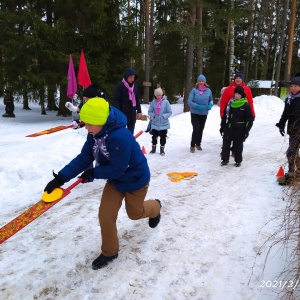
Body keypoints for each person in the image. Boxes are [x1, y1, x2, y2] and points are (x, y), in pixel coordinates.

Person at [44, 97, 161, 269]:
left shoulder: (120, 137)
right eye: (85, 123)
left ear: (101, 121)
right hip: (115, 181)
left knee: (134, 214)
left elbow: (117, 169)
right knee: (105, 216)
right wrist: (61, 178)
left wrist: (93, 173)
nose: (86, 127)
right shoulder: (95, 133)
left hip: (135, 179)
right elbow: (85, 157)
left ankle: (155, 208)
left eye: (89, 123)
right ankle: (110, 251)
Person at [220, 86, 254, 167]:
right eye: (235, 93)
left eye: (239, 94)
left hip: (240, 129)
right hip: (229, 127)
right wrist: (222, 126)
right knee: (226, 143)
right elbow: (225, 116)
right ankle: (225, 159)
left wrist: (246, 131)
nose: (237, 95)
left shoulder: (245, 105)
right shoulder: (230, 103)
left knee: (238, 145)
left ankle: (238, 160)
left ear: (242, 95)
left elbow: (249, 119)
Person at [276, 76, 300, 177]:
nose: (293, 88)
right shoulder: (289, 99)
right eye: (291, 86)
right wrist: (281, 125)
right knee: (291, 152)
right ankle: (291, 172)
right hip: (293, 130)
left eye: (296, 86)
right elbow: (285, 113)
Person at [187, 74, 213, 153]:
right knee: (196, 128)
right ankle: (192, 145)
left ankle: (198, 144)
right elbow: (189, 101)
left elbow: (211, 100)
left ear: (205, 82)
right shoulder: (194, 91)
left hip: (204, 113)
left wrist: (210, 105)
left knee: (201, 129)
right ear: (197, 82)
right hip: (195, 112)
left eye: (202, 81)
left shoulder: (208, 90)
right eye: (199, 81)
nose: (201, 82)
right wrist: (197, 106)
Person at [113, 68, 142, 134]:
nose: (132, 79)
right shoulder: (120, 86)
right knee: (121, 132)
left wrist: (139, 111)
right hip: (122, 113)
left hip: (132, 113)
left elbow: (137, 99)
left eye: (133, 77)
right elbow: (116, 100)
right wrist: (118, 112)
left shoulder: (135, 86)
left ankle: (129, 143)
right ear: (126, 77)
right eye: (130, 77)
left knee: (130, 132)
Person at [148, 87, 172, 156]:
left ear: (162, 95)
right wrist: (153, 115)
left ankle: (162, 149)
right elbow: (150, 111)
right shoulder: (153, 102)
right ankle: (153, 148)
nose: (159, 96)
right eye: (157, 95)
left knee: (163, 136)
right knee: (154, 136)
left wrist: (164, 116)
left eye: (160, 95)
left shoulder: (166, 102)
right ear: (155, 95)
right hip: (155, 123)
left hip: (163, 123)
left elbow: (169, 112)